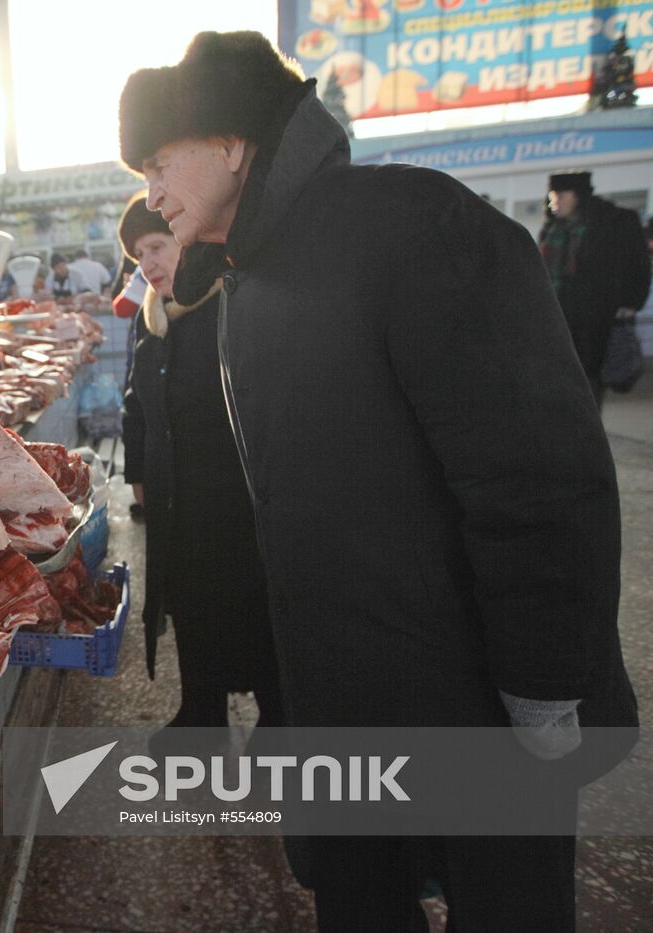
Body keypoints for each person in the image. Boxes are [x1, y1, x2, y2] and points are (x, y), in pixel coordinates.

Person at [119, 31, 635, 931]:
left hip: (469, 692)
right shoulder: (243, 279)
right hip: (343, 695)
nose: (151, 192)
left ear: (233, 144)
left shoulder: (414, 226)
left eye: (160, 163)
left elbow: (536, 473)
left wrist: (547, 682)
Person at [118, 191, 282, 736]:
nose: (148, 264)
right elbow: (135, 403)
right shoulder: (151, 320)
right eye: (138, 255)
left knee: (251, 606)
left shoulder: (232, 303)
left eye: (156, 247)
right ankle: (201, 714)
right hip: (177, 501)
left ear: (187, 243)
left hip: (235, 499)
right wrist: (137, 474)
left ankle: (278, 719)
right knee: (190, 608)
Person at [538, 170, 650, 406]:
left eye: (560, 195)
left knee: (589, 381)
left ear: (578, 195)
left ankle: (585, 423)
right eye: (552, 196)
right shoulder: (551, 228)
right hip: (556, 318)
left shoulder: (615, 221)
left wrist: (631, 302)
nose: (554, 202)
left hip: (596, 318)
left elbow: (638, 264)